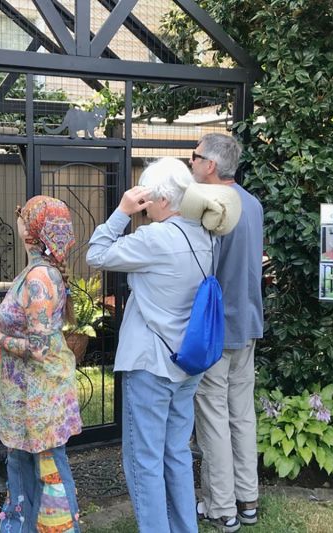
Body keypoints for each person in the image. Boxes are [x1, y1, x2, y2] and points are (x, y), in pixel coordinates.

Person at [86, 157, 211, 533]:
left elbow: (96, 254)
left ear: (158, 199)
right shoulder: (203, 235)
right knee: (175, 453)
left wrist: (122, 212)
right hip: (186, 362)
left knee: (144, 460)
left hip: (150, 364)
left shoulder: (154, 239)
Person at [0, 195, 82, 533]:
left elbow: (38, 349)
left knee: (46, 471)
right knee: (29, 469)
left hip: (37, 399)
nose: (18, 221)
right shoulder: (39, 271)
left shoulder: (39, 278)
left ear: (30, 231)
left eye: (22, 217)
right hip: (31, 396)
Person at [190, 133, 264, 532]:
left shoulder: (213, 206)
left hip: (216, 329)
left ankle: (221, 508)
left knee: (213, 417)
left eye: (195, 156)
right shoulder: (252, 203)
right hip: (247, 324)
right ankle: (247, 500)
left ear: (211, 166)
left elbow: (202, 270)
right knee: (241, 415)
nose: (191, 162)